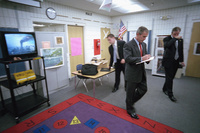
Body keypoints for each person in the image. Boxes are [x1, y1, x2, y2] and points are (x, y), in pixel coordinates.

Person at [123, 26, 150, 119]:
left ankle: (129, 102)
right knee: (130, 92)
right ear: (138, 34)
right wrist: (142, 58)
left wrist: (148, 58)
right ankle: (130, 109)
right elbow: (127, 58)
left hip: (141, 72)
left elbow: (144, 56)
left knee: (144, 89)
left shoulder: (144, 44)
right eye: (143, 36)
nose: (145, 38)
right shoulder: (128, 45)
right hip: (132, 73)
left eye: (146, 37)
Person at [162, 27, 185, 102]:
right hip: (168, 61)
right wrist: (175, 38)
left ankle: (164, 88)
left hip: (176, 61)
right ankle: (170, 94)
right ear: (172, 32)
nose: (177, 35)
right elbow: (167, 45)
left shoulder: (181, 40)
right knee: (169, 78)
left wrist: (181, 61)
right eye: (175, 33)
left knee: (171, 77)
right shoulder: (167, 39)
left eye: (178, 33)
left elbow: (181, 50)